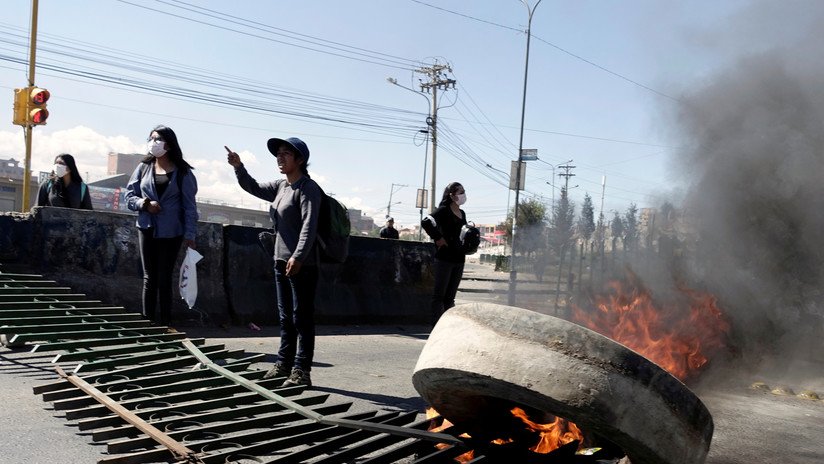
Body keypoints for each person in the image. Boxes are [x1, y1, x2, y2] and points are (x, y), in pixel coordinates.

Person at [226, 137, 320, 388]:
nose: (280, 157)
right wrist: (238, 167)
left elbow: (309, 226)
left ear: (300, 160)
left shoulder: (308, 188)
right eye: (278, 153)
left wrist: (298, 256)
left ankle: (302, 371)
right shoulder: (281, 186)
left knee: (302, 318)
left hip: (302, 264)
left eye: (286, 153)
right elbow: (253, 186)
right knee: (286, 317)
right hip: (280, 260)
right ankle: (283, 365)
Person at [125, 125, 198, 328]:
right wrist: (144, 204)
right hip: (146, 227)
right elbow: (128, 196)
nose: (153, 142)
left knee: (164, 277)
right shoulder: (144, 167)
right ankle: (147, 323)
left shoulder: (183, 173)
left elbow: (190, 208)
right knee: (149, 277)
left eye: (158, 139)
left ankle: (166, 323)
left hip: (172, 231)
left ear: (169, 144)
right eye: (151, 138)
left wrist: (190, 235)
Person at [421, 182, 468, 326]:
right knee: (439, 296)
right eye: (460, 192)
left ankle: (448, 327)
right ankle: (435, 326)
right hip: (444, 259)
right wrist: (438, 238)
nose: (463, 195)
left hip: (459, 259)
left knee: (450, 298)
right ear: (452, 195)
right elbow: (426, 222)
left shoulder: (462, 213)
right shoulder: (443, 210)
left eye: (464, 191)